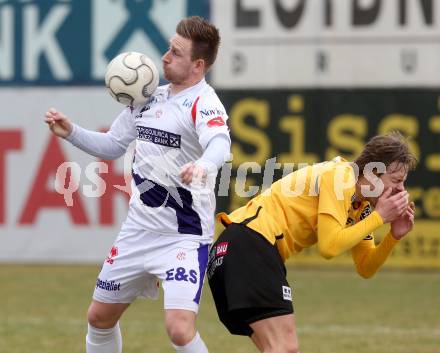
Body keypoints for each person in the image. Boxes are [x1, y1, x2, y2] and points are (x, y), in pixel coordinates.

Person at [45, 16, 230, 353]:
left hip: (184, 238)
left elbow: (220, 143)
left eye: (176, 52)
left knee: (179, 329)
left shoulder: (204, 103)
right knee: (99, 318)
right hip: (137, 233)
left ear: (198, 65)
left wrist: (203, 164)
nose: (165, 57)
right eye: (168, 48)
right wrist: (71, 131)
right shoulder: (149, 98)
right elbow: (113, 145)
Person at [207, 132, 417, 353]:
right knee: (285, 348)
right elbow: (329, 247)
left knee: (279, 349)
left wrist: (393, 236)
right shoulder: (341, 178)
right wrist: (380, 217)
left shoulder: (361, 206)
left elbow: (365, 266)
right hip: (249, 244)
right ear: (374, 173)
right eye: (396, 181)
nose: (401, 190)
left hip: (236, 248)